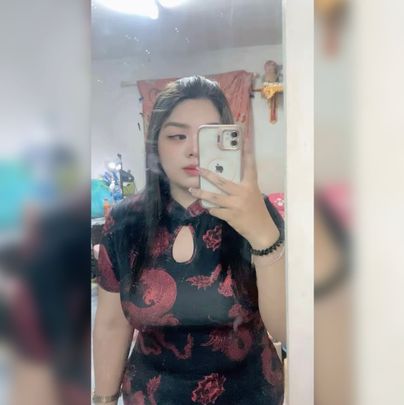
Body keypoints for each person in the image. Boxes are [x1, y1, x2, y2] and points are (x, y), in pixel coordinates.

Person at [93, 76, 286, 405]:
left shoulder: (257, 212)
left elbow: (285, 329)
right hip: (152, 395)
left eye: (208, 136)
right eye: (177, 136)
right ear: (156, 143)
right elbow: (112, 324)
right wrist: (103, 398)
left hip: (249, 394)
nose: (194, 149)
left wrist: (263, 234)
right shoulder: (124, 222)